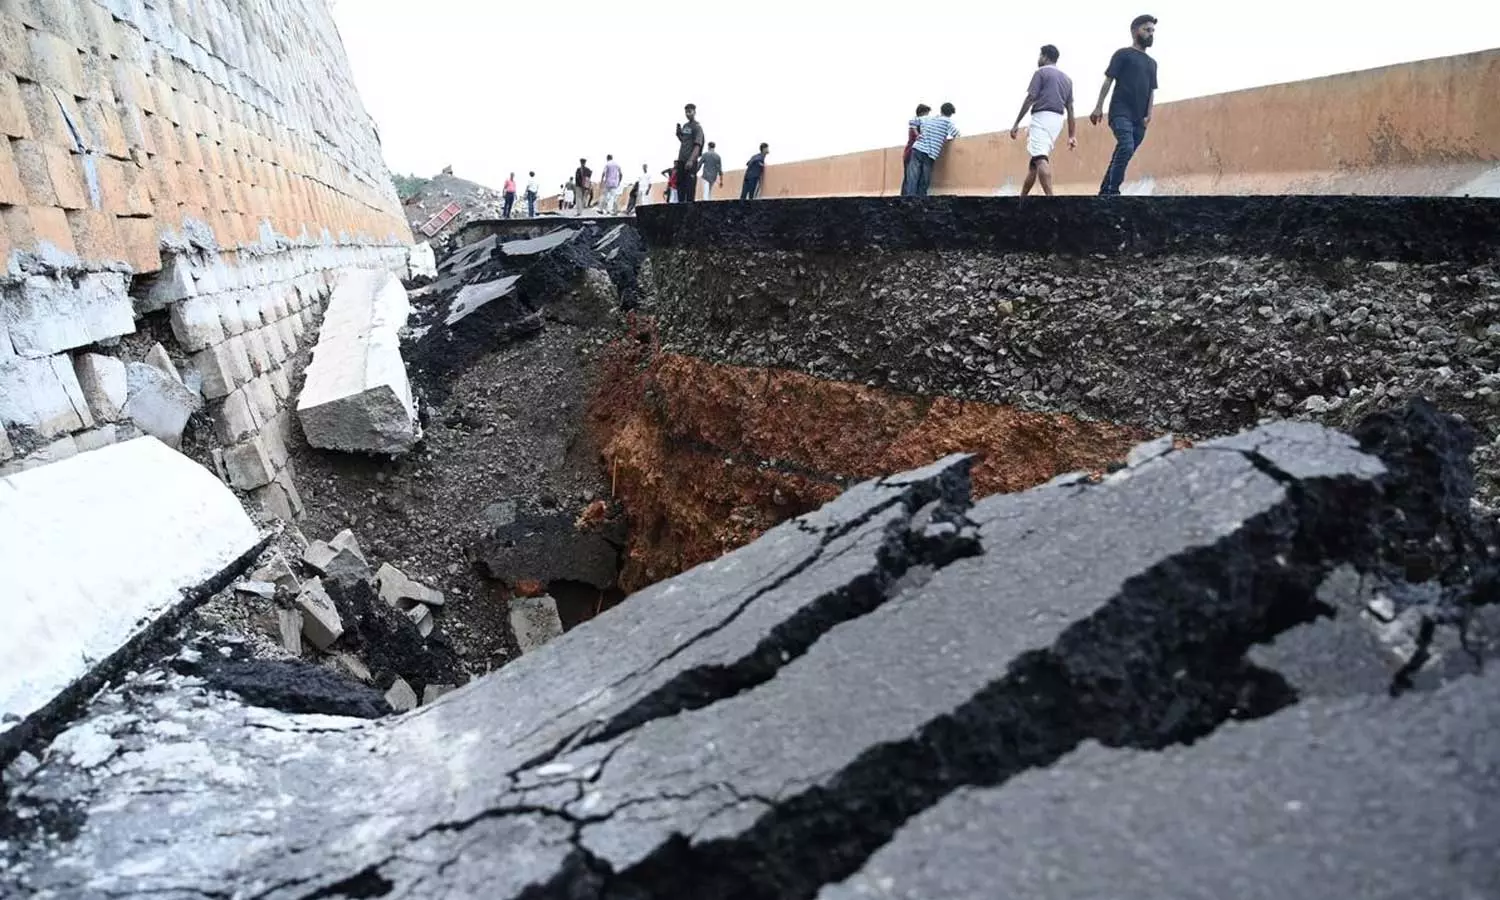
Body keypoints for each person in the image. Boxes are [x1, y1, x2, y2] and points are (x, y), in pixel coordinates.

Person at [1091, 14, 1158, 195]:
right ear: (1135, 31)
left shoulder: (1152, 63)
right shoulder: (1122, 54)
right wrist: (1098, 107)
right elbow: (1108, 80)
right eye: (1146, 30)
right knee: (1126, 146)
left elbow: (1151, 90)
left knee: (1123, 152)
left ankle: (1105, 190)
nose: (1150, 34)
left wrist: (1149, 114)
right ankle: (1114, 190)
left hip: (1140, 118)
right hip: (1120, 112)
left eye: (1152, 31)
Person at [1009, 45, 1076, 197]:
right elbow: (1070, 109)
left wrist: (1016, 123)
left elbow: (1031, 98)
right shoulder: (1067, 79)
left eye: (1040, 55)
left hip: (1042, 117)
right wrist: (1072, 135)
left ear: (1045, 56)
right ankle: (1022, 198)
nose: (1039, 59)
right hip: (1058, 120)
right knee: (1034, 163)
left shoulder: (1041, 73)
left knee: (1040, 158)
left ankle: (1050, 198)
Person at [903, 102, 959, 196]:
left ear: (941, 110)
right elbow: (957, 134)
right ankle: (921, 199)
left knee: (913, 177)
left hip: (917, 148)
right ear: (951, 114)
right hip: (930, 153)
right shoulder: (948, 122)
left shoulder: (930, 118)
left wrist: (917, 134)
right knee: (925, 179)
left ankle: (910, 198)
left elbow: (912, 122)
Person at [674, 103, 704, 203]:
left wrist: (691, 160)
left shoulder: (697, 127)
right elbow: (684, 141)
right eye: (686, 112)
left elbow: (697, 145)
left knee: (690, 190)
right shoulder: (685, 126)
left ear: (694, 112)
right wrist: (678, 134)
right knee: (680, 189)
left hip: (690, 162)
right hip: (681, 161)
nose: (688, 114)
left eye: (690, 111)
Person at [899, 104, 931, 195]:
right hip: (911, 154)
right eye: (927, 114)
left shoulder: (918, 125)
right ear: (922, 113)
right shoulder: (916, 125)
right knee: (910, 179)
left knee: (909, 179)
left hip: (910, 153)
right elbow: (912, 123)